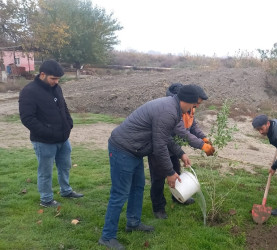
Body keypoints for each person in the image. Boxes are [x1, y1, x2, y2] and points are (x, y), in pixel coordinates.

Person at [98, 85, 200, 250]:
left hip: (135, 150)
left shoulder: (171, 106)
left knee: (138, 187)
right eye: (193, 105)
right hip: (123, 149)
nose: (192, 109)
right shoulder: (168, 111)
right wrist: (170, 172)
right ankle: (107, 236)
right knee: (120, 193)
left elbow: (164, 137)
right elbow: (160, 147)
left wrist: (180, 153)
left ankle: (133, 222)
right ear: (186, 101)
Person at [19, 59, 83, 208]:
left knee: (65, 166)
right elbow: (27, 118)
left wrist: (69, 123)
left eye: (58, 79)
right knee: (45, 171)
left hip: (63, 138)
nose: (56, 81)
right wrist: (48, 132)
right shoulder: (29, 91)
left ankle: (66, 191)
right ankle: (46, 199)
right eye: (53, 78)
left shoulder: (56, 88)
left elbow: (63, 106)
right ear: (42, 74)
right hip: (44, 141)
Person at [149, 83, 215, 219]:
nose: (196, 106)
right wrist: (202, 146)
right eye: (196, 103)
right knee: (158, 177)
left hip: (174, 146)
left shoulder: (190, 109)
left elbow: (192, 126)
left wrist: (203, 137)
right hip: (160, 144)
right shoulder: (173, 110)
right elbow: (181, 131)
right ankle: (158, 207)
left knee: (176, 171)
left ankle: (178, 197)